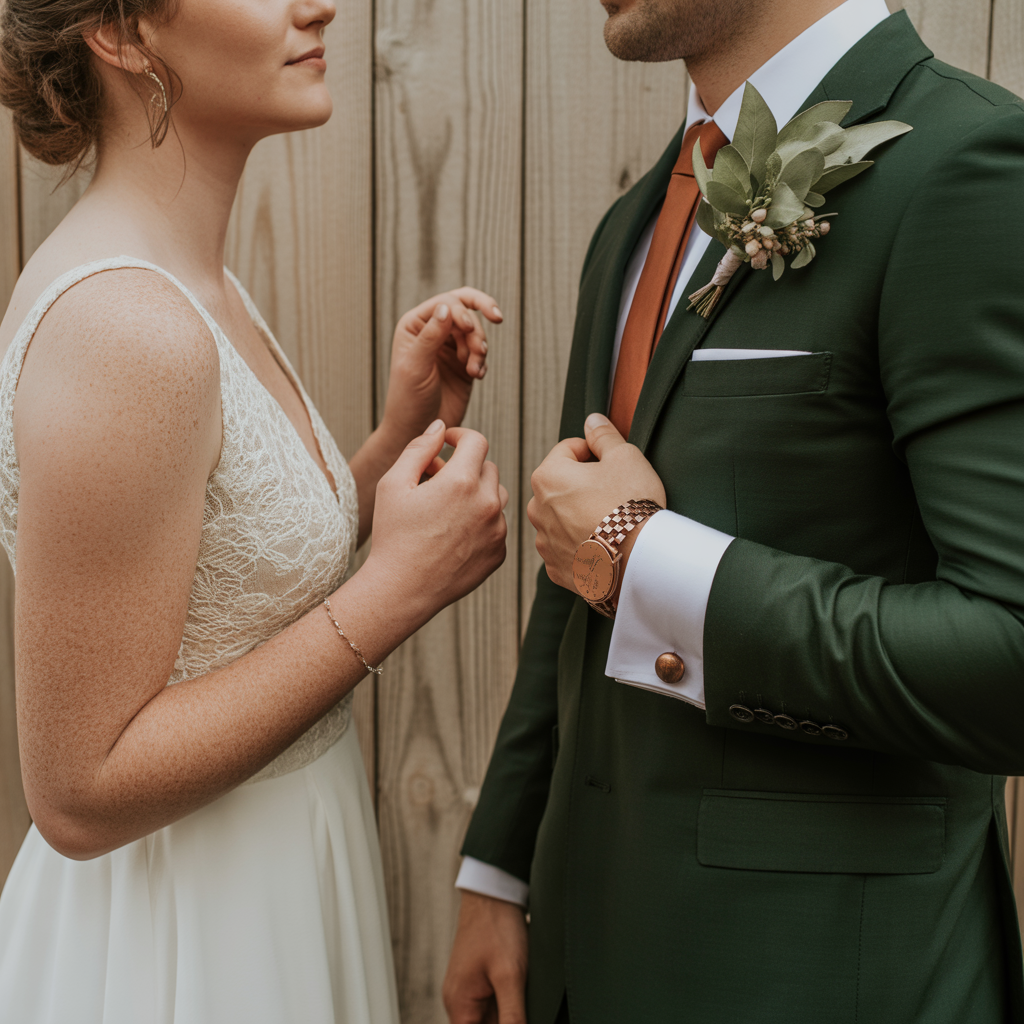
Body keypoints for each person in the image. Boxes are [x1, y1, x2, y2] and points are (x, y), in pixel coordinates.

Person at [444, 0, 1024, 1021]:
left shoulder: (969, 168)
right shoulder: (634, 224)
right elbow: (576, 566)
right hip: (591, 954)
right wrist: (500, 869)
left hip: (820, 976)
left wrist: (645, 556)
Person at [0, 1, 509, 1022]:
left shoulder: (191, 279)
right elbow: (79, 789)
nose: (316, 3)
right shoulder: (126, 328)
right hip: (185, 938)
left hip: (274, 873)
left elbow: (218, 586)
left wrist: (382, 450)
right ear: (124, 34)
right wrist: (394, 594)